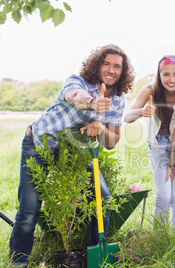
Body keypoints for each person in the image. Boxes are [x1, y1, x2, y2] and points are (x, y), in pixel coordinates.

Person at [9, 44, 135, 266]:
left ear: (123, 71)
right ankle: (18, 263)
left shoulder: (118, 97)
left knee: (102, 200)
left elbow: (112, 142)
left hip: (76, 151)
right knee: (29, 210)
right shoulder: (77, 81)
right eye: (106, 63)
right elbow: (75, 96)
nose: (111, 70)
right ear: (97, 64)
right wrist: (93, 104)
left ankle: (90, 258)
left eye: (117, 66)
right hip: (39, 144)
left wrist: (101, 126)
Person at [124, 55, 175, 230]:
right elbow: (127, 117)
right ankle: (158, 238)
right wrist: (142, 111)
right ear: (159, 75)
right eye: (166, 75)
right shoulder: (150, 90)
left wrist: (172, 164)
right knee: (164, 196)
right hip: (157, 144)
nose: (171, 79)